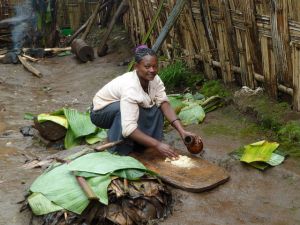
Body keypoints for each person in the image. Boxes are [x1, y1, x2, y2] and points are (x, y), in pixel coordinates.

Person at [90, 47, 198, 157]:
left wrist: (182, 132)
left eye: (154, 66)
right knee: (122, 110)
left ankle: (143, 144)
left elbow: (164, 103)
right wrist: (157, 145)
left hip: (121, 106)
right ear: (136, 67)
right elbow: (128, 129)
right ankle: (119, 149)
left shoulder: (155, 80)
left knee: (156, 108)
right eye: (147, 67)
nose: (152, 70)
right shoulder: (130, 88)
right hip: (100, 112)